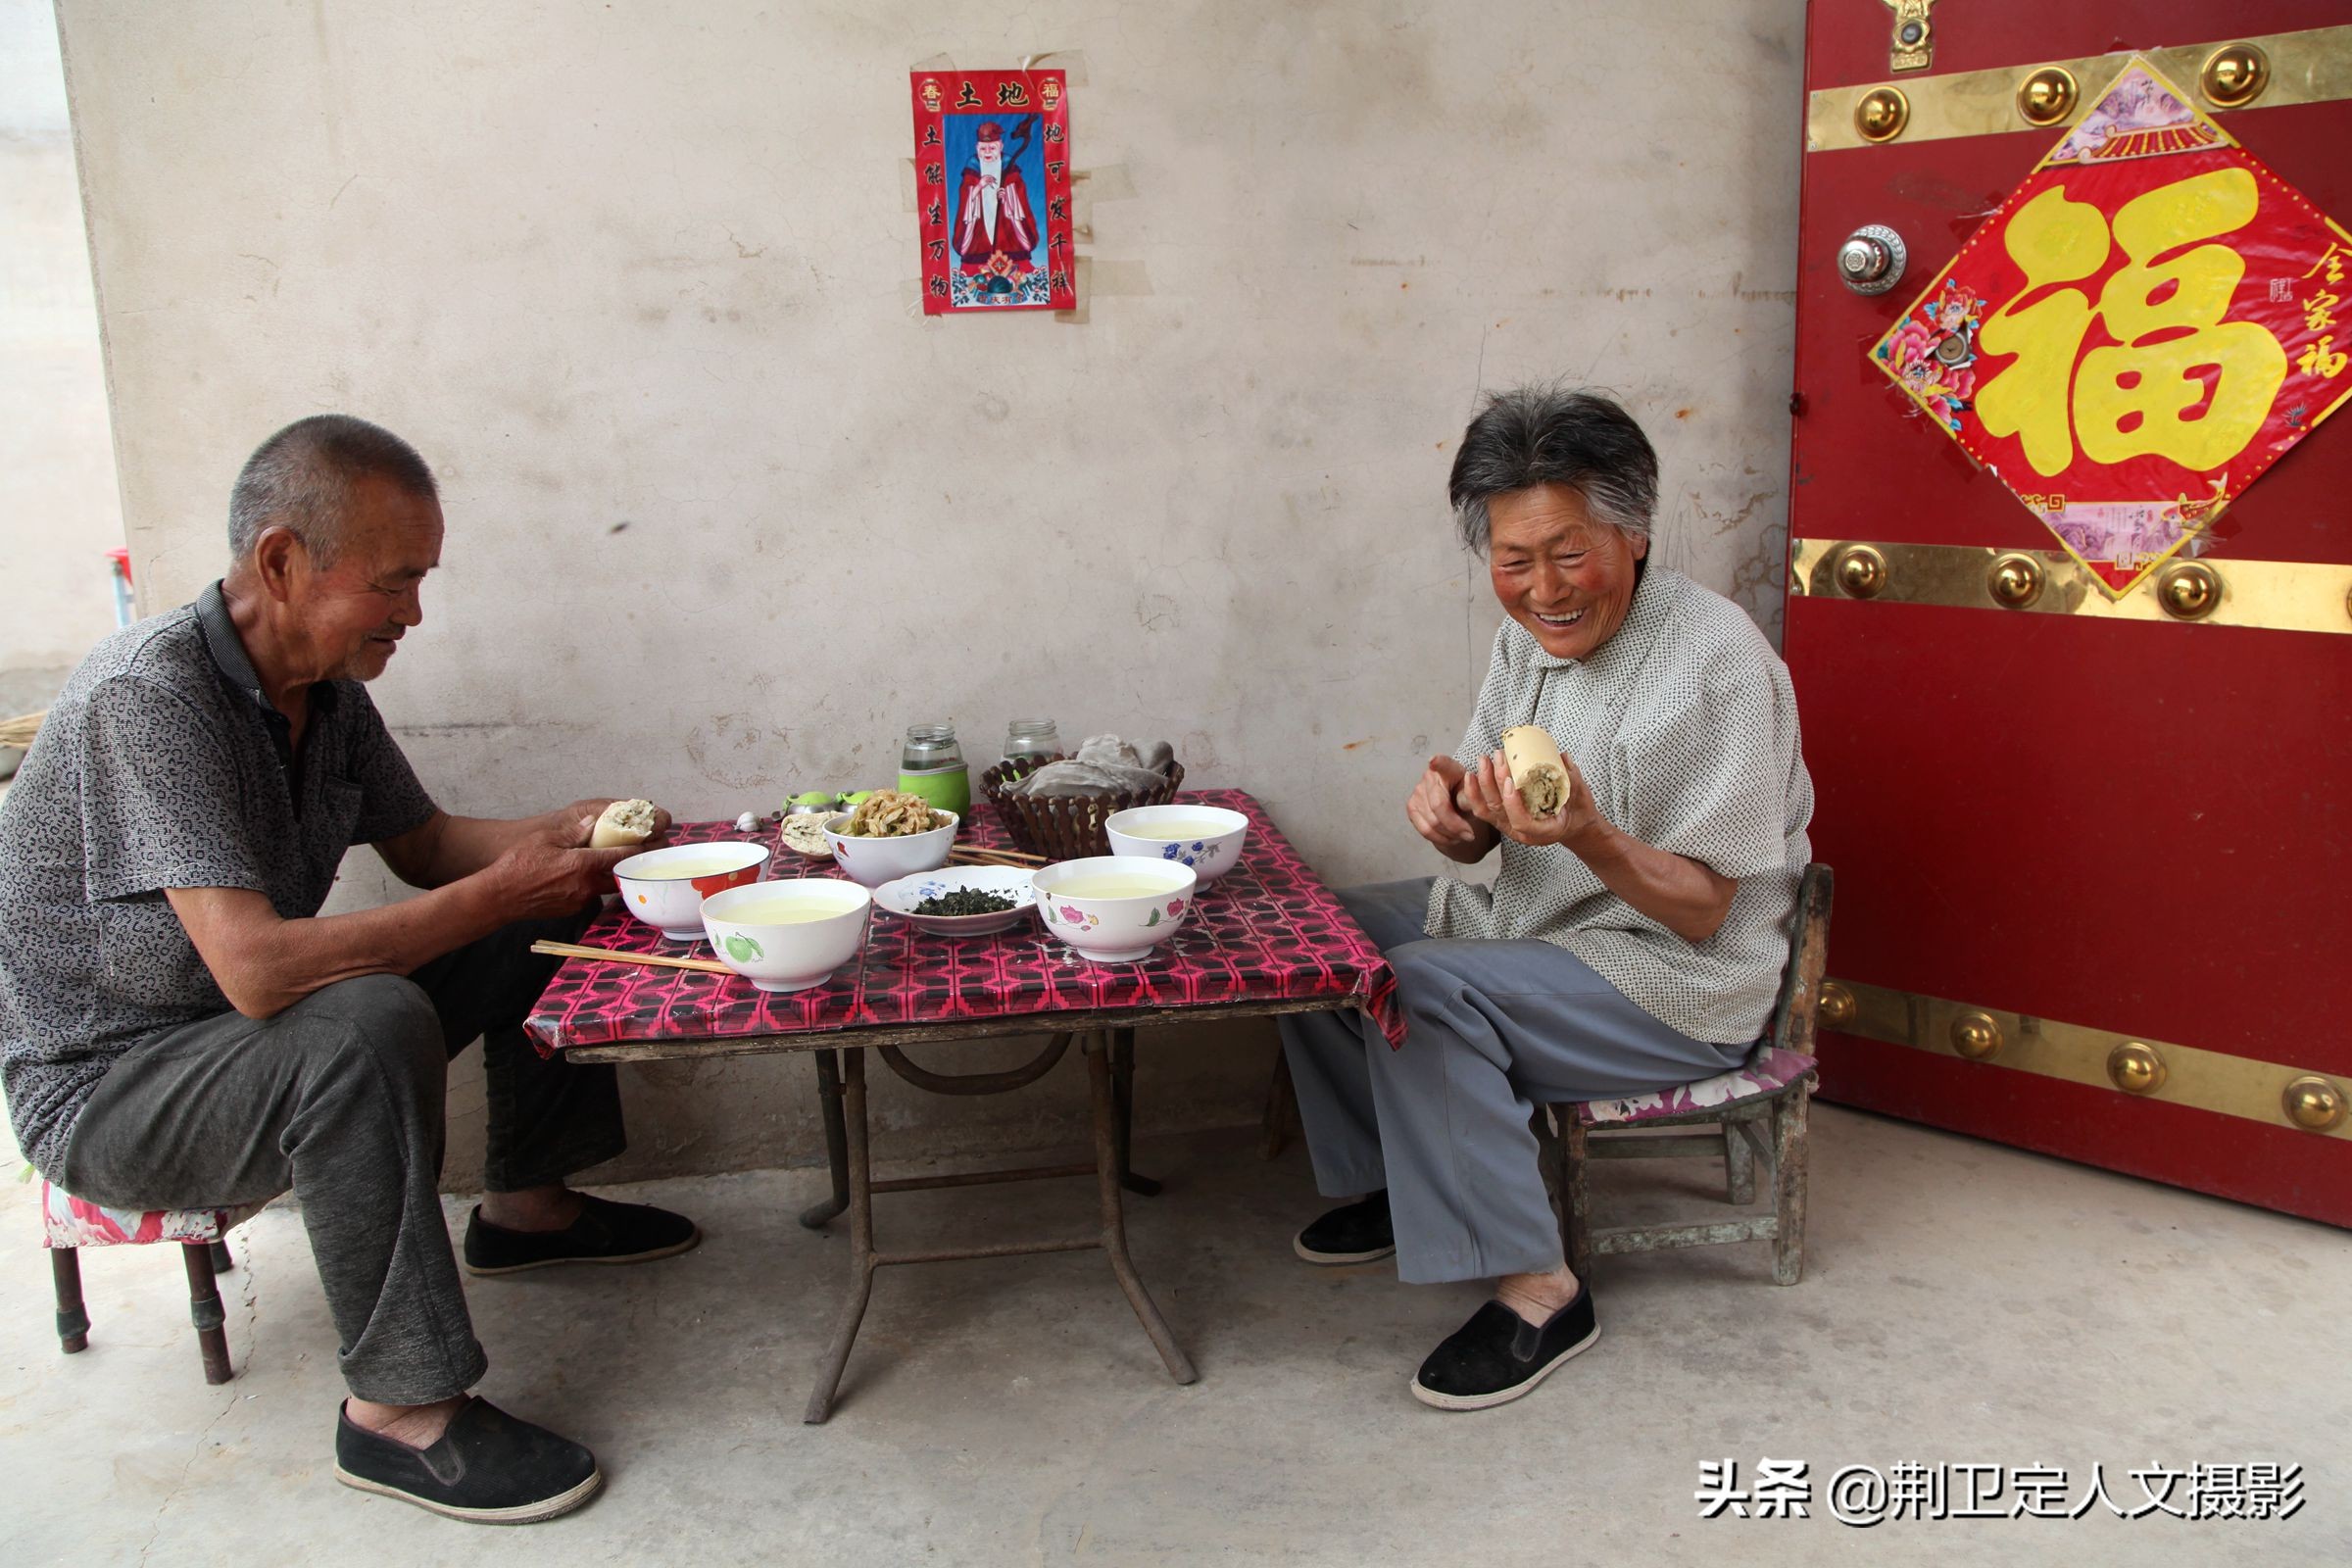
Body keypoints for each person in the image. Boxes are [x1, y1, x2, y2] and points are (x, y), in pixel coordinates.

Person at [0, 416, 700, 1523]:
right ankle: (400, 1411)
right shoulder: (151, 698)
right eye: (395, 582)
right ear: (282, 563)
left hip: (232, 1037)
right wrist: (501, 885)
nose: (414, 612)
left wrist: (565, 841)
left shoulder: (323, 688)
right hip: (111, 1086)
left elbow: (425, 847)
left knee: (541, 910)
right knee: (366, 1018)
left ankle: (529, 1208)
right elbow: (260, 973)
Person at [1280, 386, 1813, 1411]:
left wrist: (1592, 835)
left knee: (1422, 989)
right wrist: (1458, 816)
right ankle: (1407, 1176)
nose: (1543, 590)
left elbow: (1705, 910)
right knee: (1317, 930)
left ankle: (1540, 1289)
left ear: (1635, 530)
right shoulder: (1527, 641)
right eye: (1513, 563)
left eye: (1569, 553)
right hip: (1537, 926)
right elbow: (1494, 803)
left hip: (1676, 979)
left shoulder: (1719, 662)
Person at [954, 120, 1038, 286]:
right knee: (979, 239)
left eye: (992, 148)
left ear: (1000, 146)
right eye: (983, 148)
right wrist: (978, 187)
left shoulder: (1009, 167)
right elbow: (966, 195)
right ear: (977, 148)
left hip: (1005, 216)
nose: (987, 152)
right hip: (981, 215)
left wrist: (1007, 196)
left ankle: (1016, 268)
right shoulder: (972, 167)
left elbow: (1019, 193)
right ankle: (976, 268)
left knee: (1007, 236)